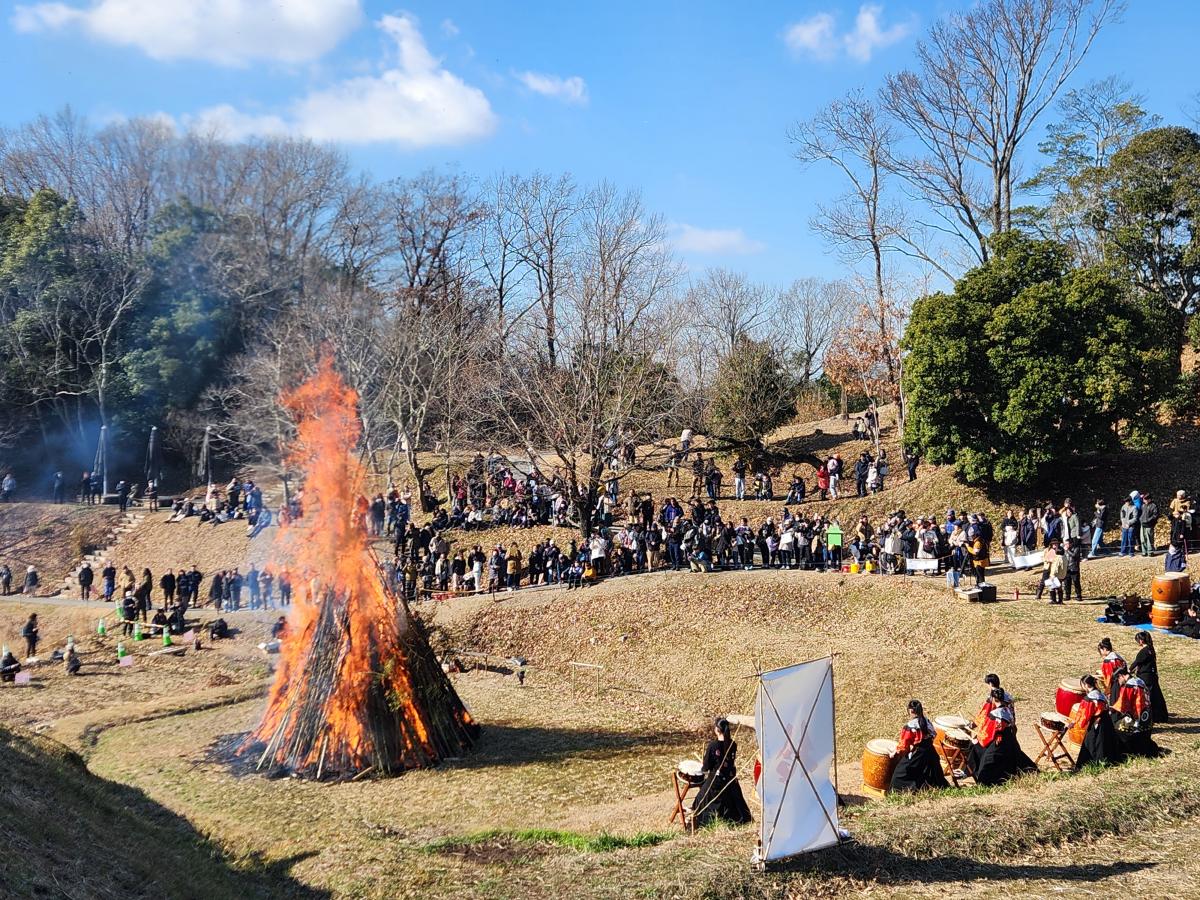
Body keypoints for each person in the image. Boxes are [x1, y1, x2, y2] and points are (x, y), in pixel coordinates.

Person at [690, 717, 752, 828]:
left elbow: (706, 767)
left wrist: (704, 766)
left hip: (717, 781)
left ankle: (702, 824)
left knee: (700, 799)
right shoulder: (733, 744)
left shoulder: (713, 746)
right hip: (730, 779)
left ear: (717, 730)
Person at [969, 689, 1037, 785]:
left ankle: (979, 777)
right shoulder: (1008, 711)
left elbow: (988, 732)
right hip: (1009, 740)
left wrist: (977, 739)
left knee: (978, 750)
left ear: (994, 699)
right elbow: (1013, 727)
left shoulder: (994, 714)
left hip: (998, 741)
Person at [890, 700, 948, 792]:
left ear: (910, 711)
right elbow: (934, 734)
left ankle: (901, 792)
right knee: (933, 772)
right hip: (930, 752)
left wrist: (896, 752)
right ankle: (934, 789)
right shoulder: (926, 721)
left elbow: (904, 745)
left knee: (900, 773)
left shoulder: (910, 726)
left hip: (917, 753)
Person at [1069, 675, 1124, 769]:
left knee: (1092, 744)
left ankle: (1091, 764)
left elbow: (1085, 714)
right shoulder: (1100, 694)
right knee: (1105, 742)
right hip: (1107, 722)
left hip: (1097, 723)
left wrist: (1075, 723)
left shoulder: (1090, 698)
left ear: (1085, 685)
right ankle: (1108, 761)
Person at [1111, 668, 1160, 758]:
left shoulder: (1130, 685)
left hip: (1136, 715)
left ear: (1121, 676)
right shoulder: (1140, 680)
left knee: (1119, 729)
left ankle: (1128, 752)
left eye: (1118, 679)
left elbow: (1124, 702)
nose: (1119, 682)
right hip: (1147, 715)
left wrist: (1113, 708)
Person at [1130, 631, 1169, 722]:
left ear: (1141, 641)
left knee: (1149, 697)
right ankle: (1159, 715)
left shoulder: (1144, 651)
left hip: (1146, 677)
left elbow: (1137, 662)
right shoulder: (1150, 649)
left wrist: (1129, 670)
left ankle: (1151, 716)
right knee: (1156, 696)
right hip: (1152, 676)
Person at [1097, 638, 1125, 704]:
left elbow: (1109, 678)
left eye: (1100, 650)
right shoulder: (1118, 657)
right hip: (1123, 684)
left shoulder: (1107, 661)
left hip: (1114, 687)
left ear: (1104, 649)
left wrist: (1107, 691)